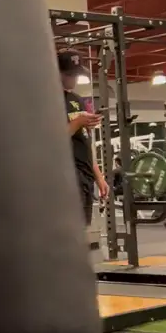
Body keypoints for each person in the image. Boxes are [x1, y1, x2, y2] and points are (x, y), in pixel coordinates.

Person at [58, 50, 109, 226]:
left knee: (84, 230)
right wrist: (77, 122)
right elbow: (50, 142)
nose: (74, 79)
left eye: (76, 75)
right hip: (67, 175)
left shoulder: (76, 99)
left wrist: (99, 177)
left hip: (86, 176)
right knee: (71, 232)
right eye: (70, 75)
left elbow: (85, 141)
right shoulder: (49, 101)